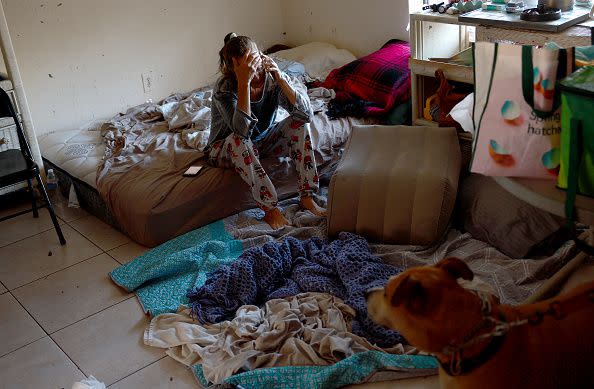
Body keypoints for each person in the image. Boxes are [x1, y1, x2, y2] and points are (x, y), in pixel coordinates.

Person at [206, 33, 326, 229]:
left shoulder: (271, 76)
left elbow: (305, 115)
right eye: (248, 64)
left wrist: (280, 78)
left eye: (257, 58)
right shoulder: (225, 88)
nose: (256, 68)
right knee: (239, 141)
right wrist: (244, 82)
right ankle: (271, 210)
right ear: (235, 67)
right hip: (224, 147)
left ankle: (307, 197)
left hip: (260, 141)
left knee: (298, 124)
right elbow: (241, 132)